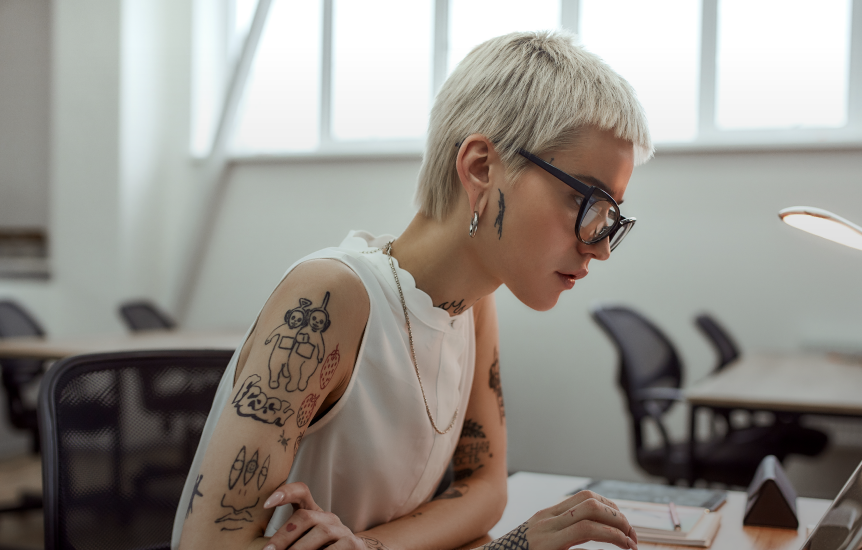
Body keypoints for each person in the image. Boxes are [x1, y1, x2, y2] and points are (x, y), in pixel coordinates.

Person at [173, 29, 653, 550]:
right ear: (481, 168)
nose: (600, 246)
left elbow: (485, 490)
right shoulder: (331, 297)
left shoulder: (474, 305)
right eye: (588, 202)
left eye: (610, 218)